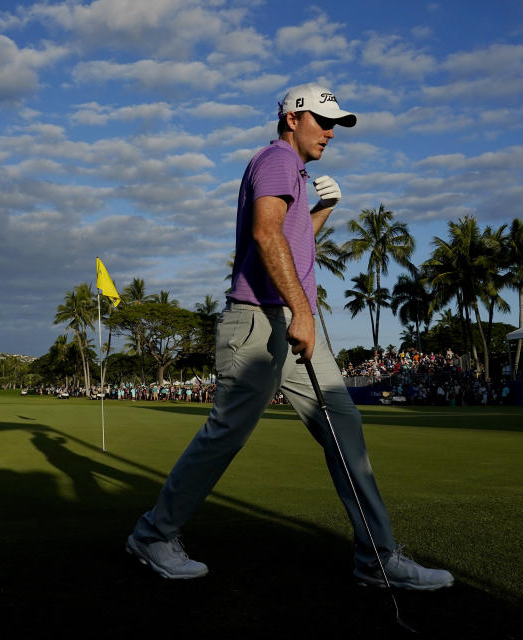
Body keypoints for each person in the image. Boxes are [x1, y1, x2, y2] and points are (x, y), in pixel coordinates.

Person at [126, 83, 454, 590]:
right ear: (292, 118)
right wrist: (303, 310)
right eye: (323, 122)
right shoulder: (278, 159)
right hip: (259, 322)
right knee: (227, 434)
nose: (330, 132)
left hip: (287, 322)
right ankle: (153, 535)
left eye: (336, 125)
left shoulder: (294, 174)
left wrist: (323, 210)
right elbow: (265, 234)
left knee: (344, 427)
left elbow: (293, 242)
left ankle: (377, 557)